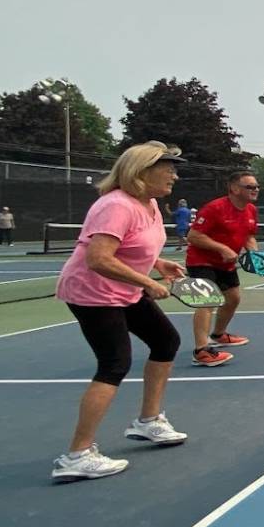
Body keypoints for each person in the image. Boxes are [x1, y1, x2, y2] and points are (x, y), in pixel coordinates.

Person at [51, 142, 190, 482]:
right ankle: (77, 455)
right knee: (114, 363)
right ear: (141, 170)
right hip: (93, 292)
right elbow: (98, 258)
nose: (175, 173)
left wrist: (157, 263)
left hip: (123, 288)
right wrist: (146, 281)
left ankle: (148, 422)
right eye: (167, 166)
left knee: (165, 341)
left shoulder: (151, 205)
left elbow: (133, 244)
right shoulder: (115, 205)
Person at [185, 170, 262, 367]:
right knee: (207, 301)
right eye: (249, 187)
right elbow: (193, 236)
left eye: (256, 187)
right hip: (201, 261)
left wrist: (254, 253)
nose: (255, 190)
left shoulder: (251, 210)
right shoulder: (214, 208)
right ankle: (201, 350)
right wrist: (222, 248)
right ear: (234, 189)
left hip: (226, 264)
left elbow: (249, 236)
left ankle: (218, 335)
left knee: (234, 298)